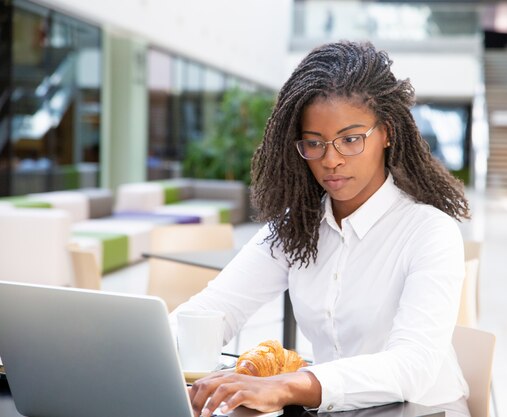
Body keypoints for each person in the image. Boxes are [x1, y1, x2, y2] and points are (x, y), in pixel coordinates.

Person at [170, 41, 471, 417]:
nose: (331, 160)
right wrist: (152, 348)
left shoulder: (430, 232)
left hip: (424, 410)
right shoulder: (297, 228)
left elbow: (413, 366)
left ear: (387, 133)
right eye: (314, 143)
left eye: (350, 139)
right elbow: (219, 309)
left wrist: (286, 386)